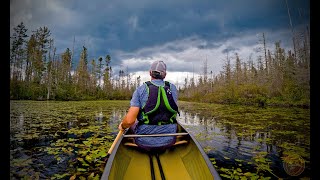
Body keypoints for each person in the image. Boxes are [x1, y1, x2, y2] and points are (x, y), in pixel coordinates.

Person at [118, 60, 179, 151]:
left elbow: (130, 121)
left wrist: (122, 126)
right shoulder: (173, 88)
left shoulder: (140, 90)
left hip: (143, 142)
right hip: (169, 140)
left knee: (132, 124)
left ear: (150, 73)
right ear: (164, 75)